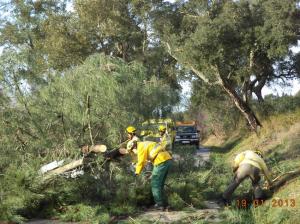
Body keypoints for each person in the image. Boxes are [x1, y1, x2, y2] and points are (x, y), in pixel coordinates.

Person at [134, 141, 172, 210]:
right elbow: (147, 158)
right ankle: (165, 204)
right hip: (167, 159)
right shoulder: (145, 143)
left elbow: (141, 161)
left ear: (134, 147)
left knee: (155, 184)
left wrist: (137, 172)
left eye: (132, 151)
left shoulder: (140, 147)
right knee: (160, 184)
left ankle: (160, 204)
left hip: (160, 161)